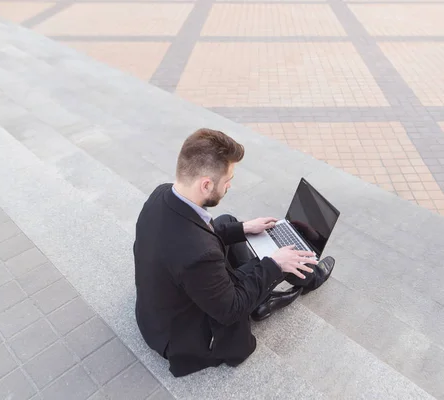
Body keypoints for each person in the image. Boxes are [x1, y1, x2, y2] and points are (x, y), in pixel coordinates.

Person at [133, 128, 335, 377]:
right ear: (206, 184)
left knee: (229, 223)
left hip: (158, 311)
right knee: (270, 263)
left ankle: (274, 285)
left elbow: (195, 236)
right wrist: (274, 264)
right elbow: (230, 309)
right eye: (227, 179)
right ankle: (301, 279)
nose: (230, 184)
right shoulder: (198, 256)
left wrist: (244, 229)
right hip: (184, 338)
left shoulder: (162, 194)